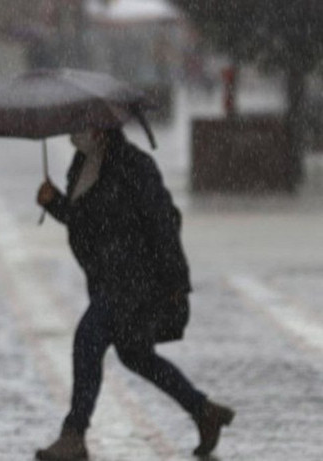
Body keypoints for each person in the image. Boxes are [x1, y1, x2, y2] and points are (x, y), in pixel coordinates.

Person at [34, 128, 234, 460]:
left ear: (102, 128)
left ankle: (74, 434)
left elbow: (163, 222)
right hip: (107, 278)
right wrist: (54, 202)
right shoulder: (82, 164)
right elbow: (85, 221)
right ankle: (204, 411)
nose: (75, 133)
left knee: (88, 339)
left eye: (83, 125)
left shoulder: (134, 165)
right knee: (135, 354)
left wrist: (176, 282)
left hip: (135, 279)